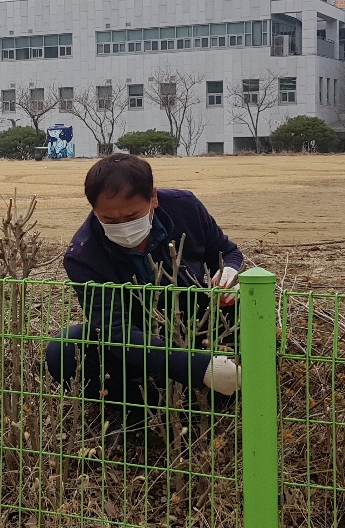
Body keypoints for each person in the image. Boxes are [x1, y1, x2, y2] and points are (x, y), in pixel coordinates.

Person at [45, 153, 243, 430]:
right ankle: (140, 415)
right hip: (138, 343)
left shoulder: (185, 207)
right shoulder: (83, 256)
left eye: (132, 216)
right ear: (93, 209)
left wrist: (229, 271)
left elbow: (227, 251)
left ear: (153, 198)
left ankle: (233, 395)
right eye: (109, 219)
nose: (123, 226)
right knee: (65, 349)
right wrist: (201, 368)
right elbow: (116, 333)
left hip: (200, 322)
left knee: (247, 308)